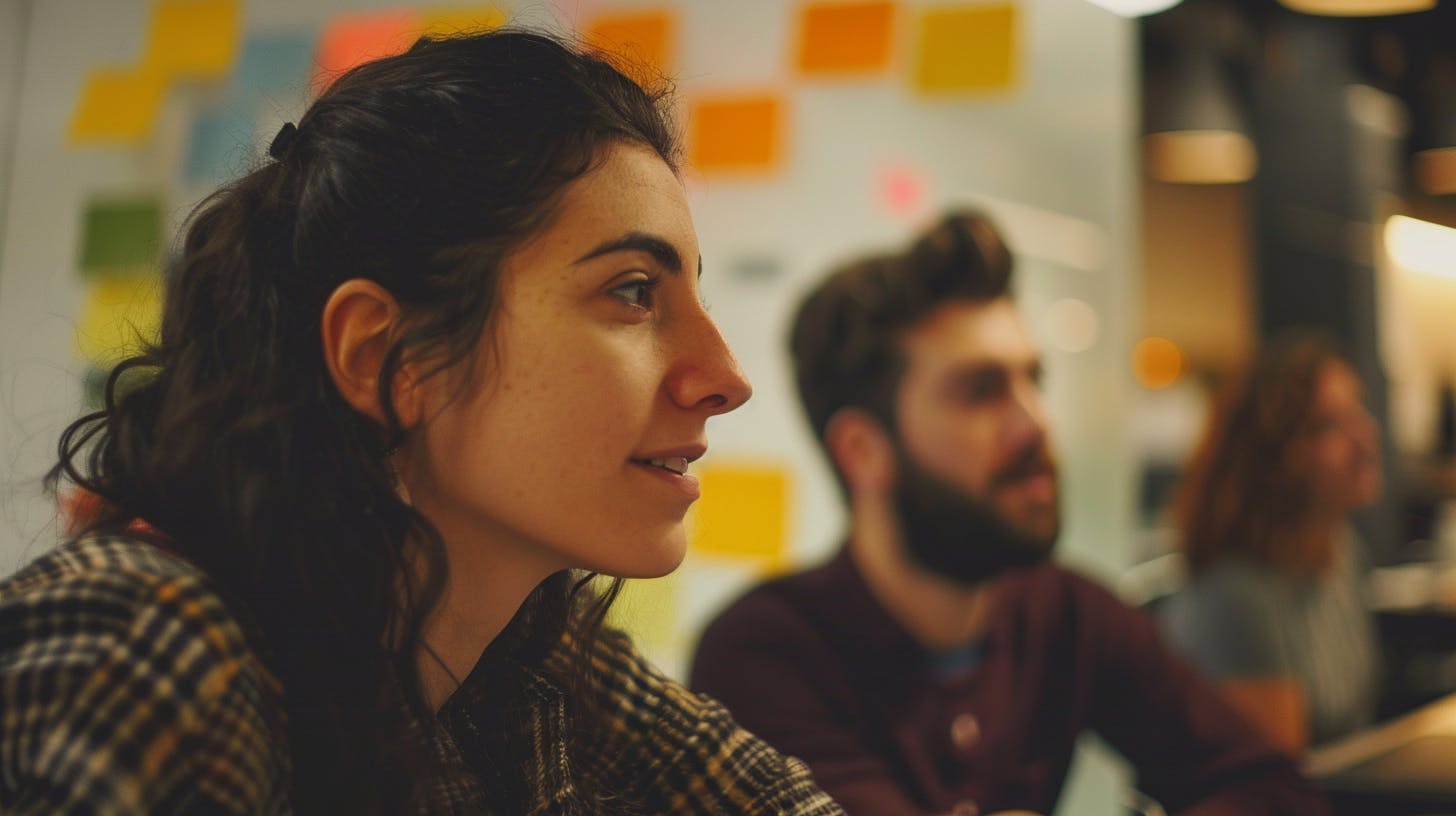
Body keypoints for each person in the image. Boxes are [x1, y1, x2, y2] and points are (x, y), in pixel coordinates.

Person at [0, 29, 844, 815]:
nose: (725, 380)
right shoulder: (154, 649)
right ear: (384, 356)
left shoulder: (528, 655)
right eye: (631, 291)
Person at [690, 211, 1328, 815]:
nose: (1035, 423)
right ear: (863, 451)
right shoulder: (762, 659)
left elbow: (1271, 788)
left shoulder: (1068, 614)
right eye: (981, 391)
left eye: (1034, 382)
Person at [1159, 335, 1382, 754]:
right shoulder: (1234, 594)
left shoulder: (1342, 548)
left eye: (1359, 411)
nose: (1365, 437)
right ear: (1272, 455)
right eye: (1330, 425)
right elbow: (1278, 788)